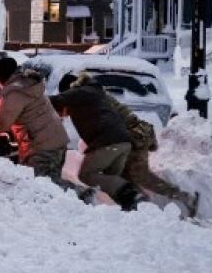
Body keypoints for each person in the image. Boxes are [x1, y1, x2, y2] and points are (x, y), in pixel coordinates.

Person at [59, 74, 199, 216]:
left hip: (132, 135)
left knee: (139, 176)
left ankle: (180, 198)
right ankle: (145, 208)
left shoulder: (88, 98)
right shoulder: (93, 95)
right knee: (126, 179)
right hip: (129, 136)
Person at [0, 53, 76, 192]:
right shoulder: (25, 80)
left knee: (44, 187)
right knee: (51, 182)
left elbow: (2, 123)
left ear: (3, 77)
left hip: (42, 148)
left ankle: (84, 195)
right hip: (55, 141)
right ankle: (70, 206)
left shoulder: (15, 93)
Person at [50, 73, 143, 211]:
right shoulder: (93, 92)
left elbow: (55, 100)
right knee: (109, 179)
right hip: (123, 142)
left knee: (85, 174)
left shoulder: (80, 92)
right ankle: (128, 207)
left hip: (108, 142)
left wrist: (35, 100)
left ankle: (129, 191)